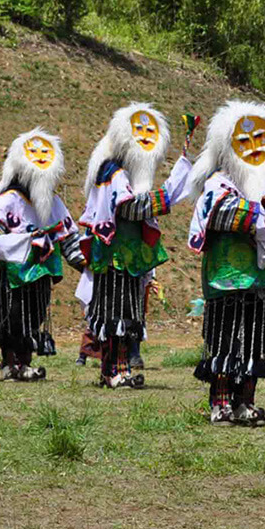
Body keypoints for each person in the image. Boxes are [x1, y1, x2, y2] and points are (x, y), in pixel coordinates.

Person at [78, 102, 193, 389]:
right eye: (138, 130)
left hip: (128, 259)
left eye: (149, 130)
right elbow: (127, 208)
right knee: (114, 315)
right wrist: (166, 195)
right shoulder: (112, 171)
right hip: (114, 256)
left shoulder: (122, 173)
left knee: (126, 315)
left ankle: (119, 369)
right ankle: (112, 371)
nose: (144, 135)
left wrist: (170, 189)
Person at [187, 100, 265, 425]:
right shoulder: (217, 183)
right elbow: (219, 215)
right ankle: (220, 402)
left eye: (261, 138)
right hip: (227, 277)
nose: (254, 147)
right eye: (243, 142)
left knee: (257, 340)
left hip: (262, 277)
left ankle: (246, 401)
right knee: (225, 339)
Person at [0, 127, 85, 381]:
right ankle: (10, 364)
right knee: (12, 317)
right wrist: (22, 243)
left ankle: (25, 363)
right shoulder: (7, 200)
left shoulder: (53, 203)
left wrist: (88, 263)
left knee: (34, 317)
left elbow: (70, 237)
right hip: (15, 274)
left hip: (42, 274)